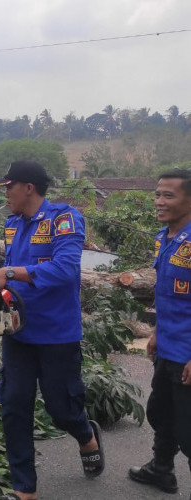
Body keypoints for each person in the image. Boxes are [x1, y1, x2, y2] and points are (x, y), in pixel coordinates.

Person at [0, 161, 103, 500]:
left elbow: (66, 269)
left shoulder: (63, 219)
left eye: (8, 186)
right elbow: (14, 273)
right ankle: (25, 488)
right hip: (18, 332)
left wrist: (9, 272)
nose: (5, 194)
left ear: (28, 187)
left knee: (61, 408)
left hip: (57, 334)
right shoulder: (11, 224)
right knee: (13, 403)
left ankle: (85, 435)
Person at [128, 169, 191, 497]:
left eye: (169, 195)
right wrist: (154, 333)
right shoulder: (162, 238)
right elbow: (167, 295)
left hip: (187, 354)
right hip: (167, 345)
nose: (159, 201)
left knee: (189, 429)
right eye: (157, 194)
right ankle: (162, 470)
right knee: (160, 412)